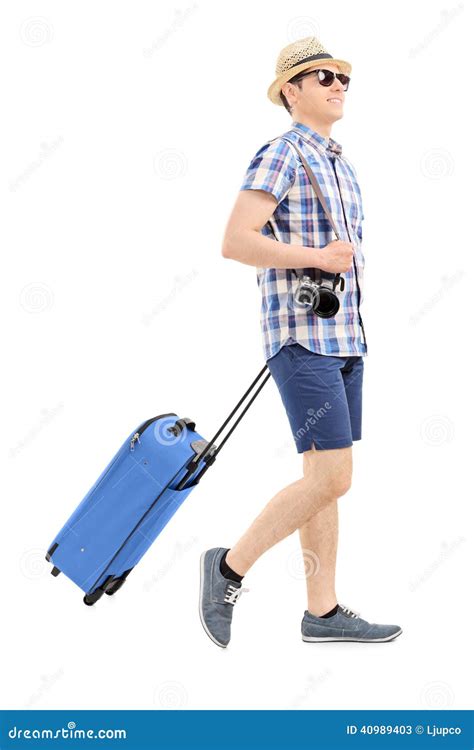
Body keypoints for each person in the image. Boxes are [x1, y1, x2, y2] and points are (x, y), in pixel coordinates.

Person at [199, 36, 402, 647]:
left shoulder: (341, 163)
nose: (337, 84)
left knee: (322, 474)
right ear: (290, 90)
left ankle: (323, 612)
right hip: (302, 338)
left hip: (345, 338)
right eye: (321, 76)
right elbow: (236, 241)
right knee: (334, 478)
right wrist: (315, 257)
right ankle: (227, 566)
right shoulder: (282, 154)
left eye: (342, 77)